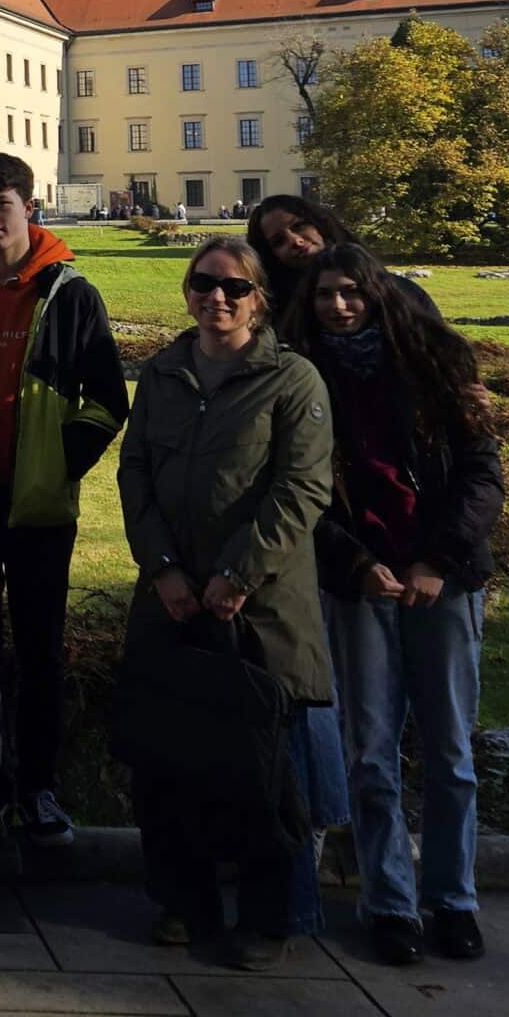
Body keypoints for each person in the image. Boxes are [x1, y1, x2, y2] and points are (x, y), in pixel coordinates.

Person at [117, 235, 334, 971]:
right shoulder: (165, 371)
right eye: (203, 283)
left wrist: (238, 576)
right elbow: (135, 474)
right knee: (168, 763)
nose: (217, 297)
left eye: (234, 288)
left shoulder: (292, 379)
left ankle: (266, 919)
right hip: (173, 599)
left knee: (257, 771)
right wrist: (166, 569)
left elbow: (301, 490)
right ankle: (183, 903)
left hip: (258, 609)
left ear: (258, 299)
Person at [285, 243, 502, 967]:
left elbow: (481, 481)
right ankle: (389, 903)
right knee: (371, 756)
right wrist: (355, 562)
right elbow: (301, 494)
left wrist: (436, 563)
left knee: (450, 753)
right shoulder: (304, 381)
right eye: (325, 296)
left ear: (377, 296)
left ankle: (453, 899)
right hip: (363, 581)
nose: (339, 306)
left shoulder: (436, 375)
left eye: (351, 293)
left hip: (442, 582)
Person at [0, 152, 129, 855]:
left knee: (39, 651)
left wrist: (61, 463)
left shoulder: (71, 293)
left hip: (38, 507)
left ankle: (38, 786)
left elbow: (105, 399)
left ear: (26, 205)